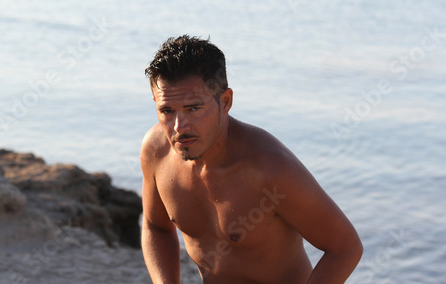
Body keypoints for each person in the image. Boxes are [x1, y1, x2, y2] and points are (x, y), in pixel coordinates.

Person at [140, 35, 363, 284]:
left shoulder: (270, 168)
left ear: (225, 101)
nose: (179, 127)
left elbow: (345, 247)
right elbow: (155, 227)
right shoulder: (156, 151)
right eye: (167, 111)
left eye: (194, 108)